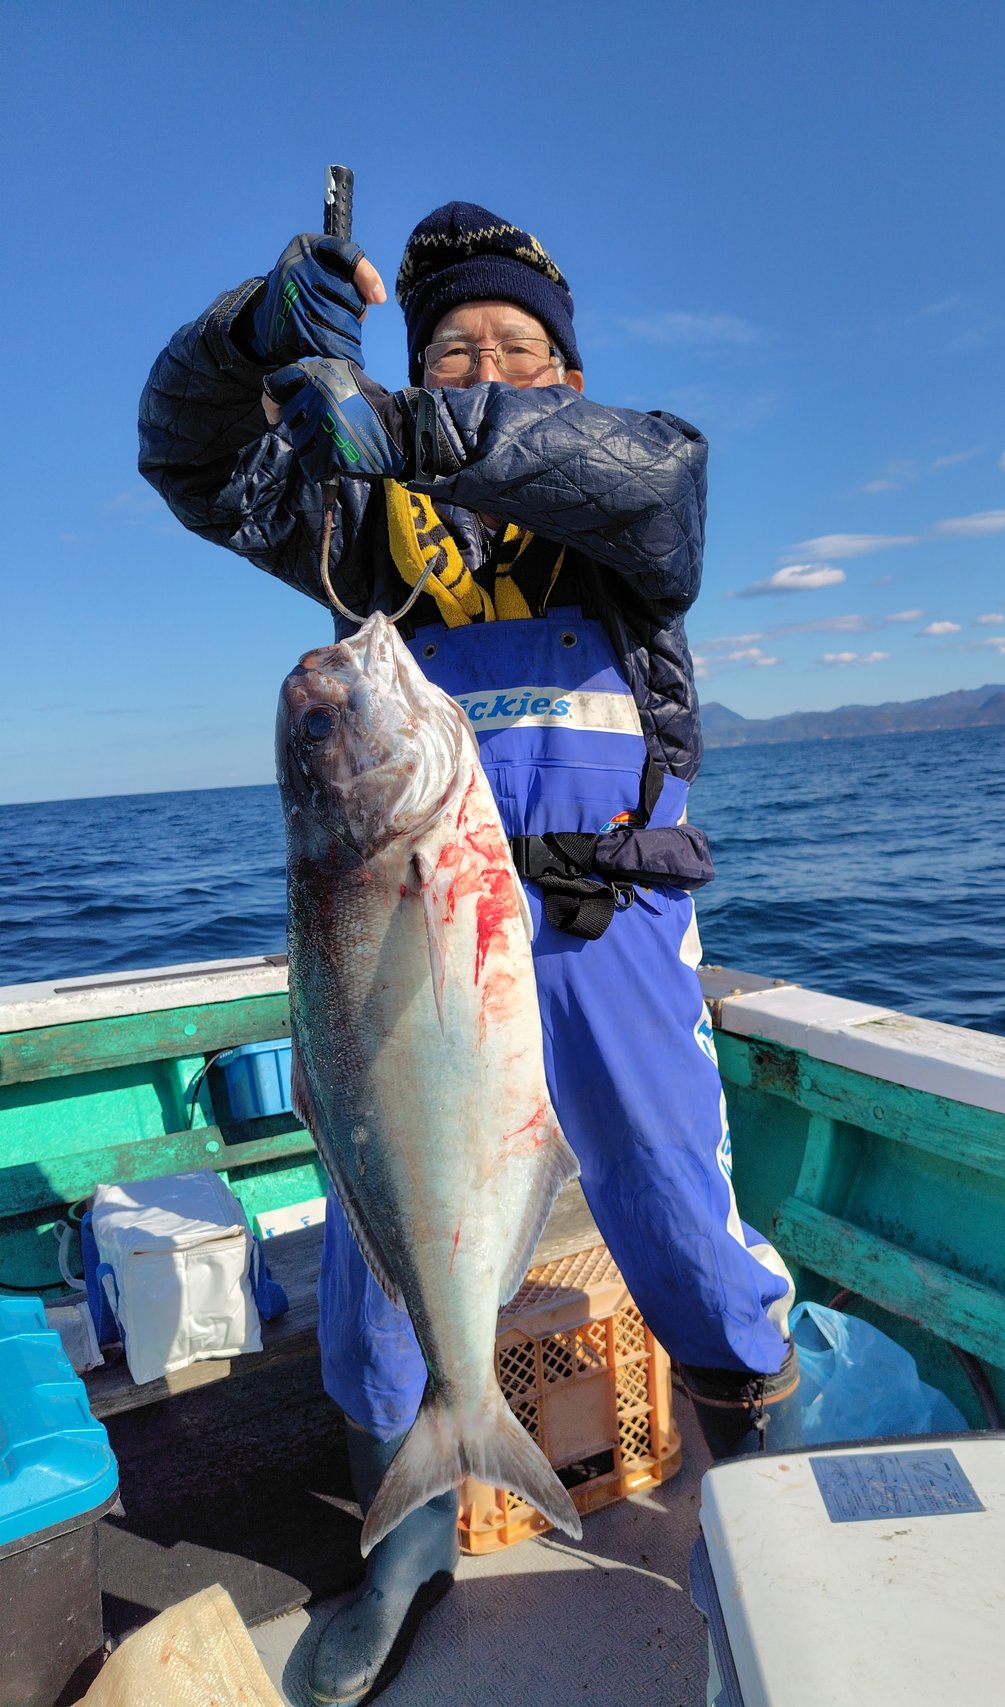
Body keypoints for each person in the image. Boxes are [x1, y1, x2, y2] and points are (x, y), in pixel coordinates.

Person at [139, 202, 800, 1707]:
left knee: (680, 1222)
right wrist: (250, 335)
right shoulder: (358, 518)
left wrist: (407, 422)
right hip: (419, 942)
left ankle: (766, 1502)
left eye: (515, 348)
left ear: (567, 378)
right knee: (382, 1266)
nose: (486, 366)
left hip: (605, 930)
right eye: (451, 348)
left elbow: (652, 474)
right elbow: (186, 455)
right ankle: (408, 1541)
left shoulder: (631, 493)